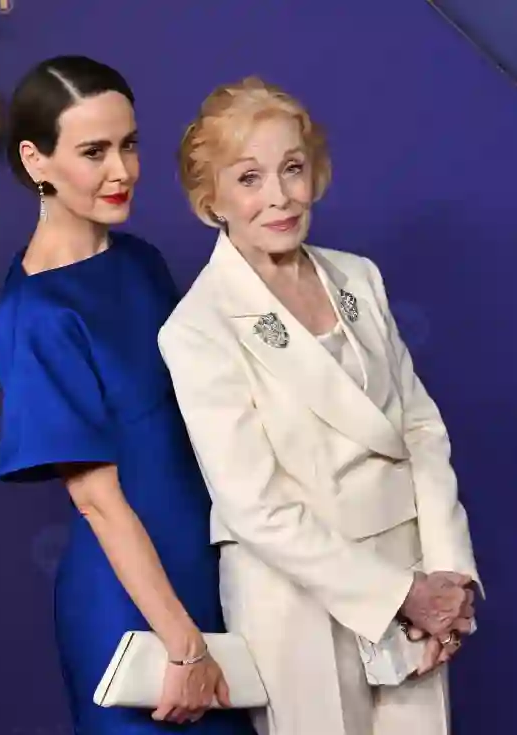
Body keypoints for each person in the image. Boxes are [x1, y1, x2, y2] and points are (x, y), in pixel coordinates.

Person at [158, 76, 481, 735]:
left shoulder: (358, 275)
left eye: (293, 169)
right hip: (299, 602)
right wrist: (400, 596)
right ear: (210, 198)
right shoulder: (197, 327)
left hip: (413, 573)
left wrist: (448, 575)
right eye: (249, 178)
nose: (279, 196)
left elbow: (419, 425)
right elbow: (256, 506)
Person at [0, 56, 256, 735]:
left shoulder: (140, 261)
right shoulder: (36, 313)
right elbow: (96, 499)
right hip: (135, 607)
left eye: (129, 144)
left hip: (215, 568)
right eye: (93, 151)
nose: (122, 170)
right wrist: (183, 641)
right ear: (36, 159)